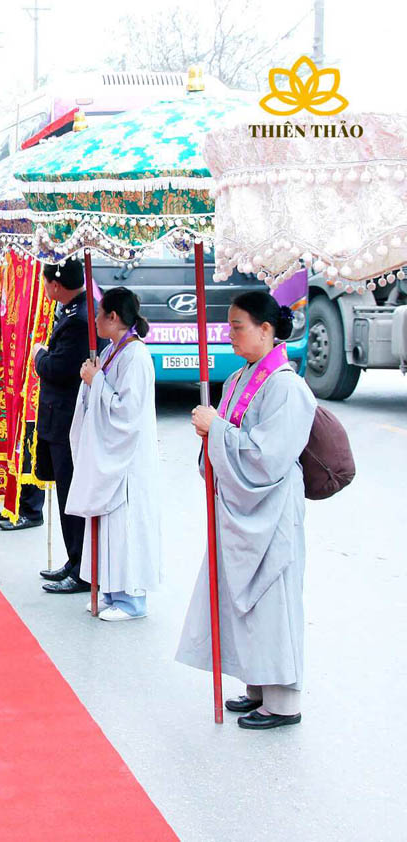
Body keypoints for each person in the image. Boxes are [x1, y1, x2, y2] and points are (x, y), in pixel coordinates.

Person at [176, 291, 316, 730]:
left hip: (270, 507)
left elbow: (267, 458)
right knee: (243, 598)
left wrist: (214, 429)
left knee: (272, 599)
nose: (229, 334)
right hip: (241, 506)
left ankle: (284, 702)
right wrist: (214, 434)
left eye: (238, 326)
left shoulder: (289, 388)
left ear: (266, 330)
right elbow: (229, 443)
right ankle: (258, 687)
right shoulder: (238, 379)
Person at [65, 287, 161, 620]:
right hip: (107, 454)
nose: (94, 320)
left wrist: (97, 381)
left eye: (99, 314)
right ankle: (109, 590)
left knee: (125, 527)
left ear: (113, 317)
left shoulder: (136, 356)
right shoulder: (111, 351)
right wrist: (91, 379)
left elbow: (127, 412)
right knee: (106, 523)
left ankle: (132, 599)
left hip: (126, 458)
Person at [35, 259, 105, 594]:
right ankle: (73, 559)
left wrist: (38, 357)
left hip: (68, 419)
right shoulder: (72, 310)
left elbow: (61, 367)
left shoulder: (80, 320)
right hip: (58, 415)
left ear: (55, 285)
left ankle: (82, 569)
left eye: (45, 282)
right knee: (65, 494)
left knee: (72, 495)